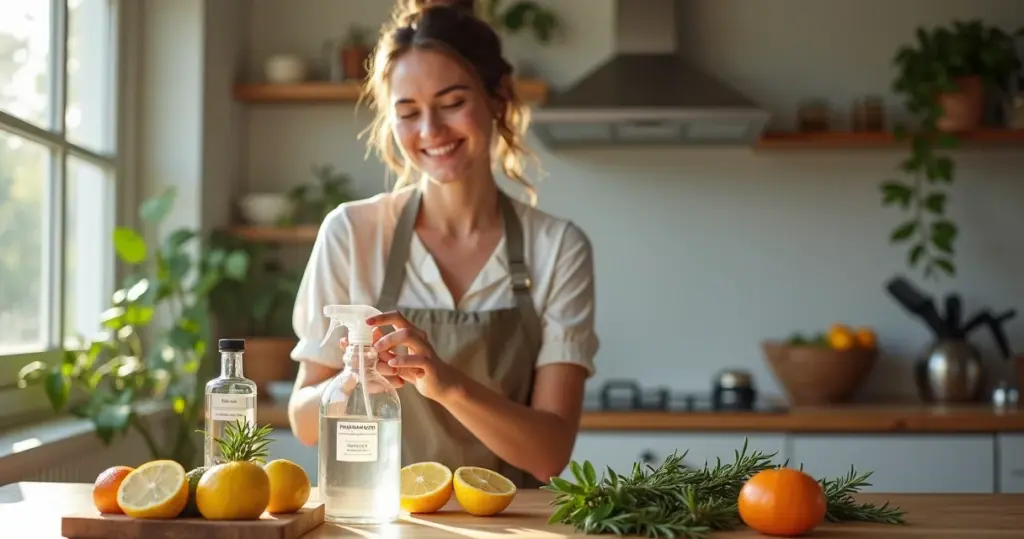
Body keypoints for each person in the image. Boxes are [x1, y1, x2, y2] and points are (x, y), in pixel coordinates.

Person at [287, 0, 599, 487]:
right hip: (382, 516)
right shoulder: (351, 232)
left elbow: (549, 455)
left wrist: (447, 383)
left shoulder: (557, 247)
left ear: (499, 98)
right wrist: (354, 377)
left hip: (510, 518)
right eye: (408, 112)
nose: (430, 131)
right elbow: (303, 422)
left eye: (452, 103)